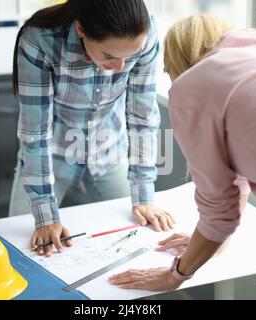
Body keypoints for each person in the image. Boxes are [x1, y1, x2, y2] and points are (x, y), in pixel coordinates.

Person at [109, 14, 256, 299]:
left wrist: (174, 276)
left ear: (177, 63)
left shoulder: (193, 84)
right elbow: (241, 171)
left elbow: (219, 211)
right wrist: (216, 242)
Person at [10, 0, 175, 257]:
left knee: (141, 238)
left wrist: (143, 194)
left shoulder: (146, 33)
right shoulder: (39, 40)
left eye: (129, 57)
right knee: (19, 249)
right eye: (109, 56)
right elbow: (36, 133)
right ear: (81, 29)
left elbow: (142, 117)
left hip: (109, 150)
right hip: (51, 155)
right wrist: (44, 215)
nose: (121, 67)